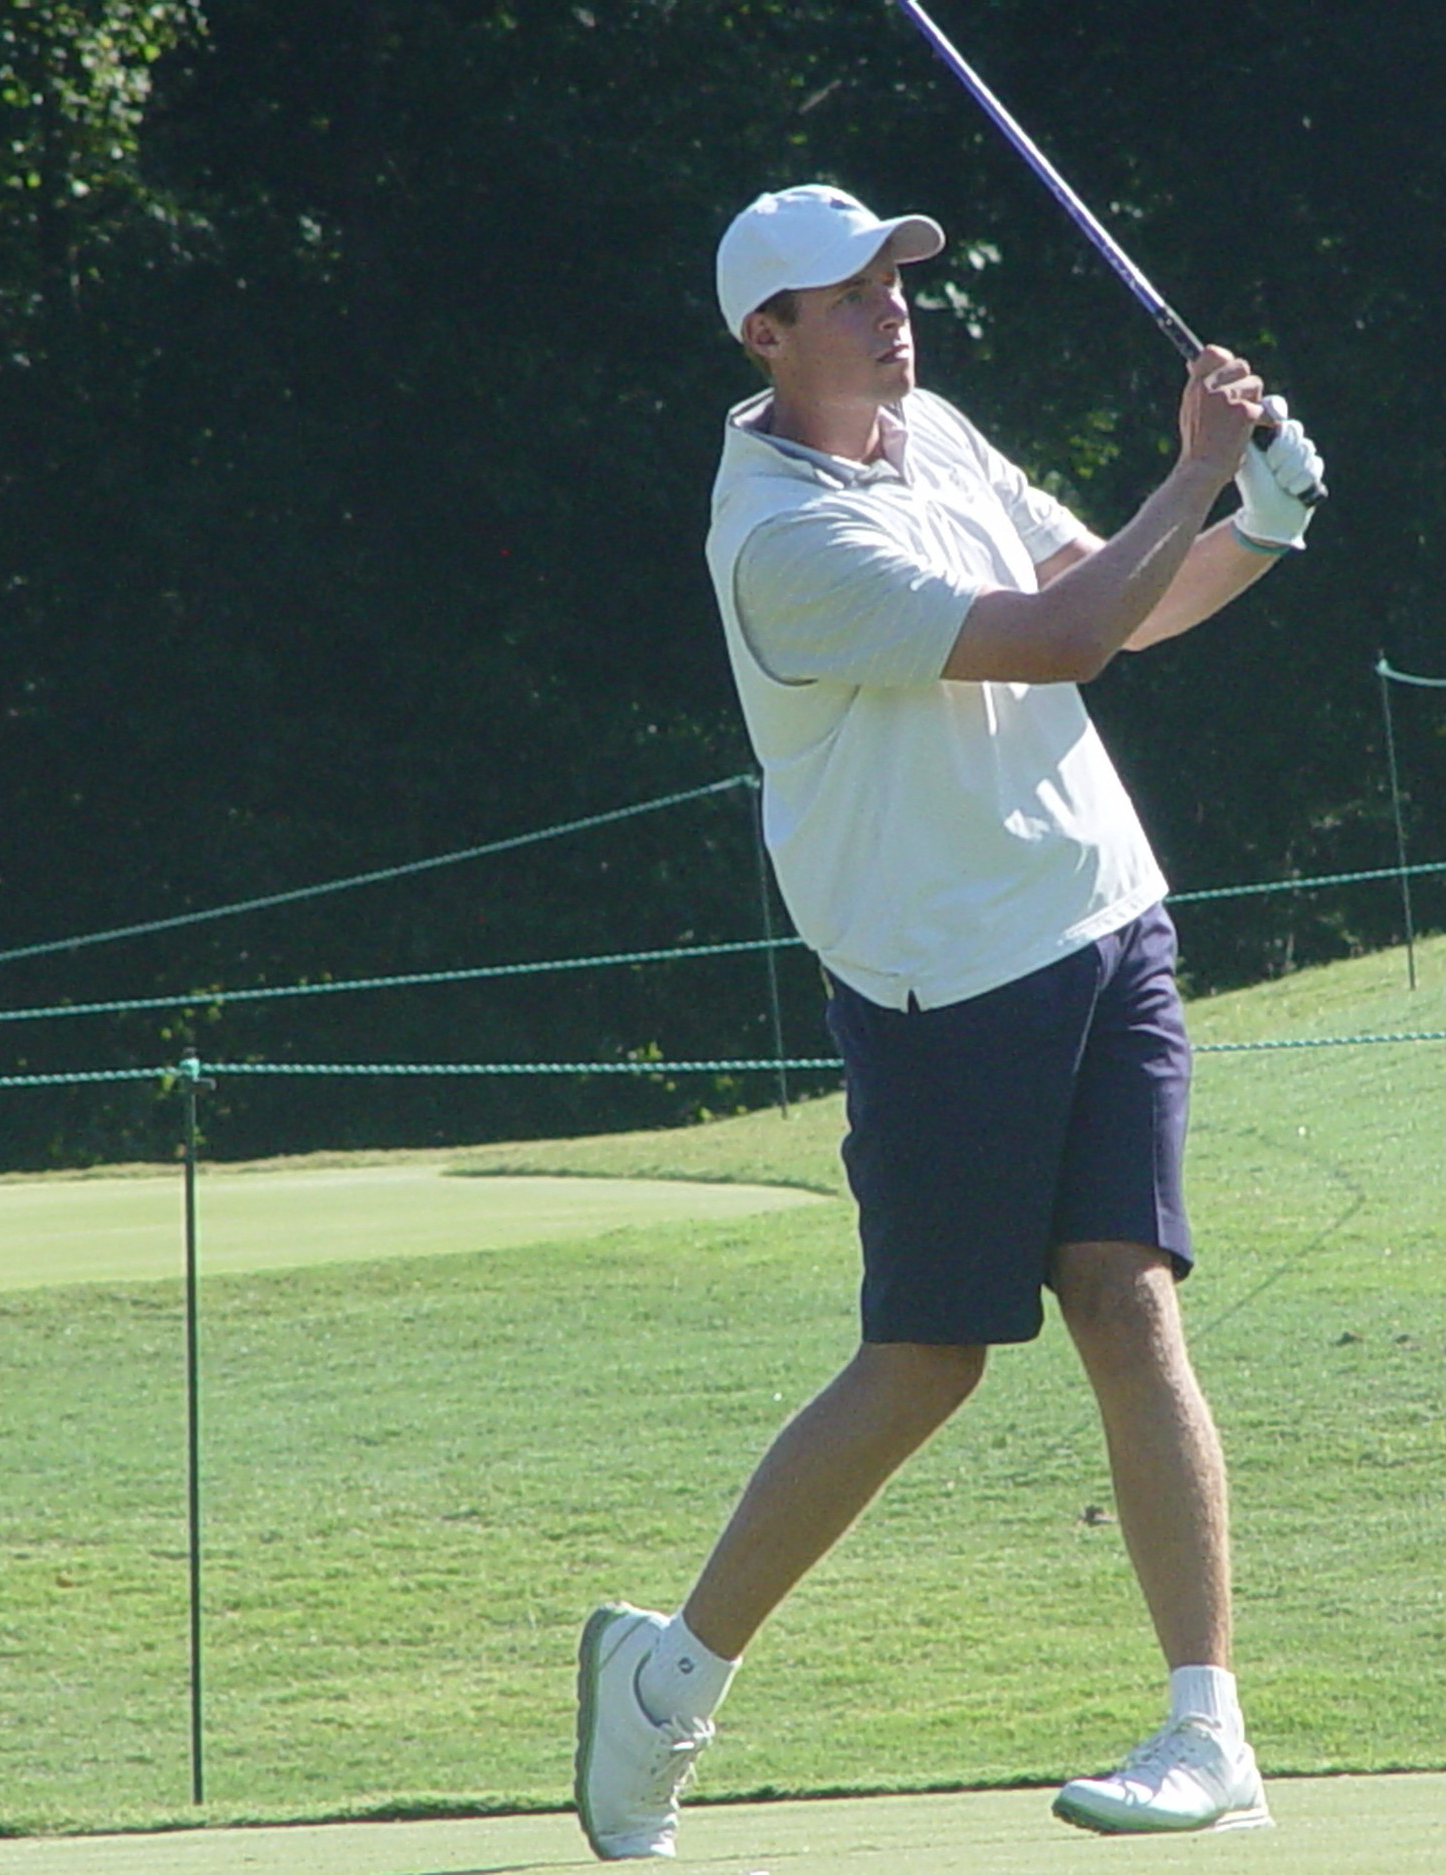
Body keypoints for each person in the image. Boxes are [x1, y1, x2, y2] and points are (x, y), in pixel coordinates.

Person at [574, 182, 1325, 1860]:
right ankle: (666, 1687)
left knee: (1131, 1305)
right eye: (848, 295)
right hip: (942, 981)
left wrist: (1253, 532)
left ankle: (1209, 1728)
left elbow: (1119, 593)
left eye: (896, 277)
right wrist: (1202, 464)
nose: (892, 309)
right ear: (767, 333)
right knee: (929, 1359)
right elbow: (1065, 642)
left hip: (1103, 917)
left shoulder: (939, 433)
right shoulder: (779, 538)